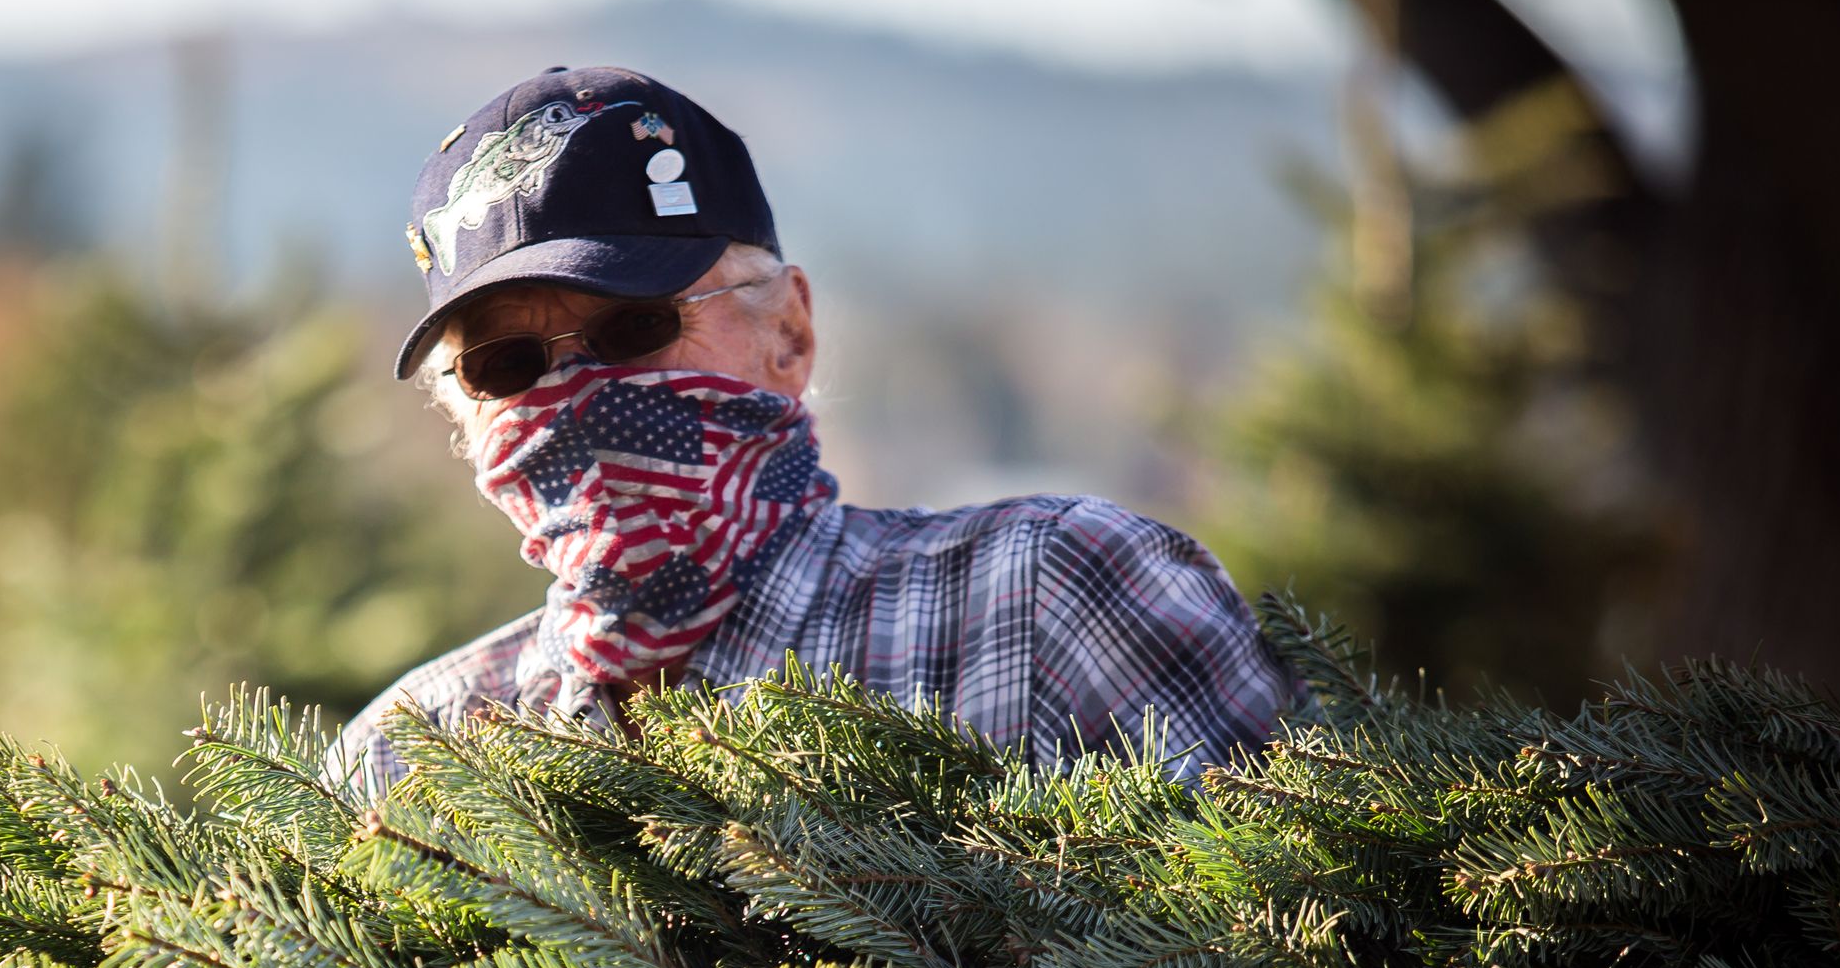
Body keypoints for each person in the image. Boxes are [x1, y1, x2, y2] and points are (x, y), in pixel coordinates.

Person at [327, 64, 1301, 795]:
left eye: (636, 327)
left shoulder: (1052, 601)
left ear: (787, 333)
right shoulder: (407, 758)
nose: (580, 394)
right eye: (508, 366)